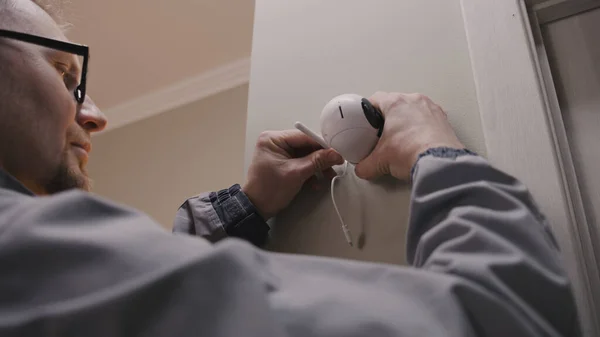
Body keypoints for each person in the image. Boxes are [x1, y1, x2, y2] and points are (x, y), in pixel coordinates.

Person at [0, 1, 581, 336]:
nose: (97, 116)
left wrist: (242, 207)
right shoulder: (25, 253)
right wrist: (441, 157)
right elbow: (498, 321)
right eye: (65, 76)